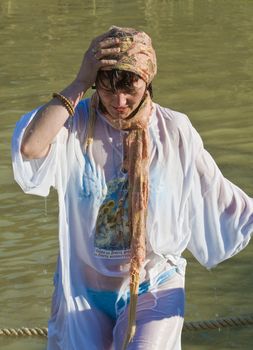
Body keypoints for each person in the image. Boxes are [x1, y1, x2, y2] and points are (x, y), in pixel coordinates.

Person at [12, 26, 253, 350]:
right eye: (108, 89)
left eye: (131, 88)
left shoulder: (173, 131)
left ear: (148, 80)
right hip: (83, 290)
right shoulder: (76, 123)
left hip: (154, 282)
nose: (119, 101)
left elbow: (217, 194)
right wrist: (79, 82)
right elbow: (31, 148)